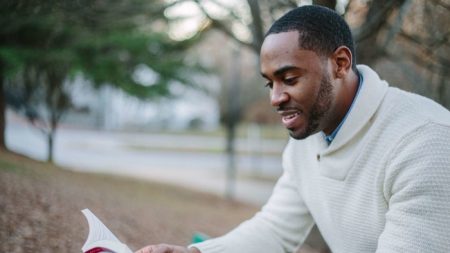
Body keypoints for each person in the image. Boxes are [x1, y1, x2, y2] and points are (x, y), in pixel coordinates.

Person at [136, 5, 450, 253]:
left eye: (289, 79)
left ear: (340, 63)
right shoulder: (310, 135)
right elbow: (275, 230)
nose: (275, 98)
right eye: (269, 82)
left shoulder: (426, 142)